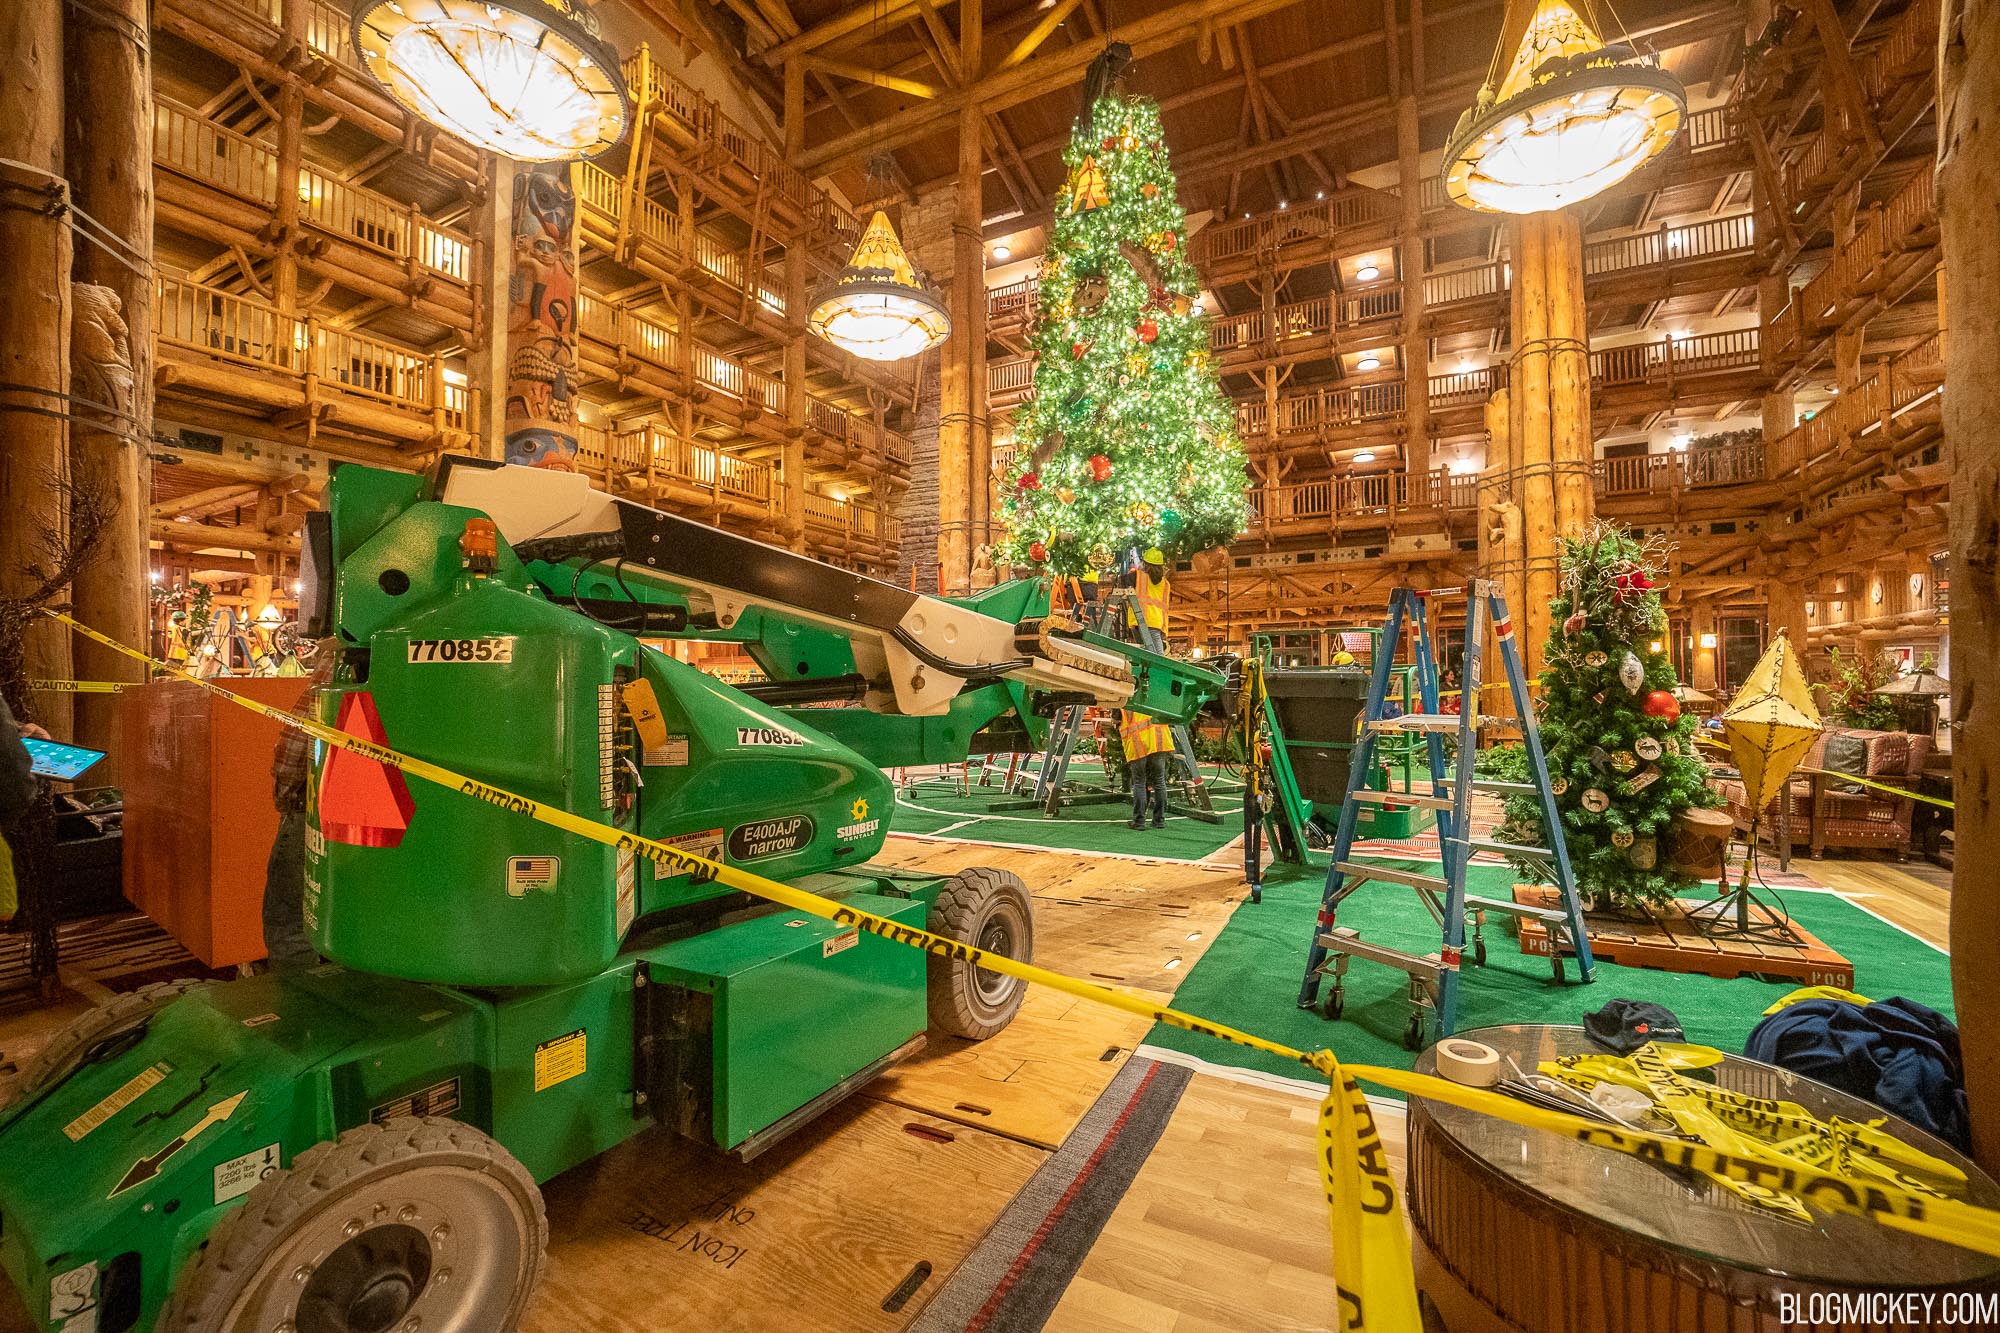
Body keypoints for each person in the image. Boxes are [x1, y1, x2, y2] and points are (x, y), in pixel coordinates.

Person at [262, 645, 337, 970]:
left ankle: (299, 997)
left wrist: (289, 801)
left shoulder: (346, 649)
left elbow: (296, 742)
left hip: (318, 808)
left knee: (291, 925)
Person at [1119, 706, 1173, 830]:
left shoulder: (1125, 699)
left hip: (1138, 742)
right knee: (1159, 781)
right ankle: (1159, 820)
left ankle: (1139, 822)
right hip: (1160, 740)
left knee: (1139, 782)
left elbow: (1116, 719)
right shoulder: (1159, 696)